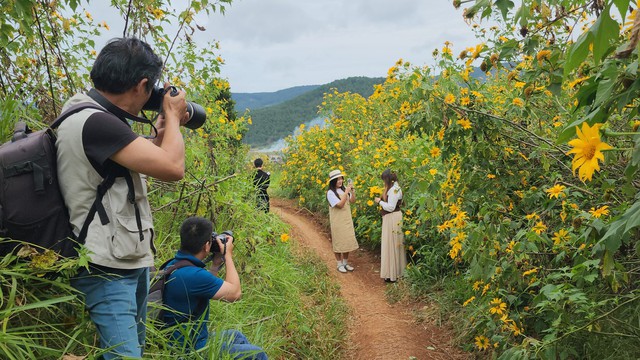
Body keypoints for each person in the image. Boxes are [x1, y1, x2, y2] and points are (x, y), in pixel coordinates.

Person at [56, 37, 188, 358]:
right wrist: (172, 116)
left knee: (130, 351)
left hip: (125, 260)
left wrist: (159, 131)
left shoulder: (90, 113)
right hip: (107, 269)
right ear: (142, 84)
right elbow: (173, 167)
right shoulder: (97, 121)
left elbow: (135, 162)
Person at [162, 216, 267, 359]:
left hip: (186, 338)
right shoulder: (193, 275)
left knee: (236, 336)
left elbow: (202, 289)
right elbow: (235, 293)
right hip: (191, 348)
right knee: (257, 353)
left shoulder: (175, 264)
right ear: (206, 246)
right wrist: (228, 255)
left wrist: (216, 264)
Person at [374, 169, 407, 283]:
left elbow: (391, 207)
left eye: (384, 180)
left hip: (393, 217)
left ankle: (393, 274)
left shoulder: (394, 190)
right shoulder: (394, 188)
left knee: (392, 244)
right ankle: (391, 273)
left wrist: (379, 202)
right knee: (391, 244)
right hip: (391, 218)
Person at [326, 169, 359, 273]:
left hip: (347, 219)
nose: (340, 181)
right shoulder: (330, 193)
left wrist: (352, 191)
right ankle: (339, 263)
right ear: (333, 181)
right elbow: (340, 205)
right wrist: (346, 192)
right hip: (337, 221)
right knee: (338, 241)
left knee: (347, 241)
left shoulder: (344, 189)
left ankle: (345, 263)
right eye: (337, 179)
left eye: (341, 179)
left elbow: (353, 201)